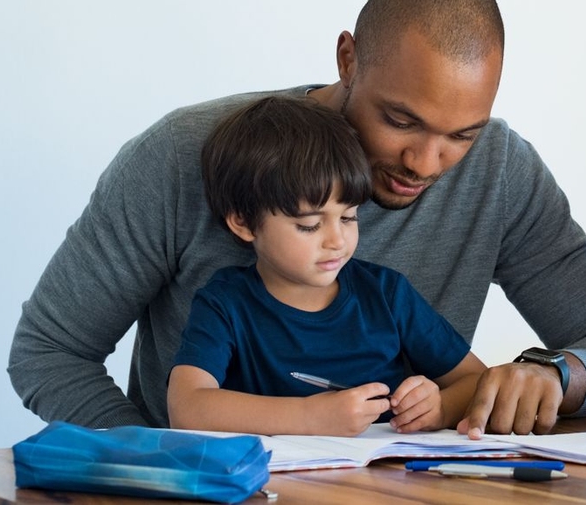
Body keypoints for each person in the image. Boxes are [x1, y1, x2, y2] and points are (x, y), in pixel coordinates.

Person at [9, 0, 586, 436]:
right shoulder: (184, 156)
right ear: (348, 58)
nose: (426, 164)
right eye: (400, 121)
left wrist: (558, 374)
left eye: (461, 135)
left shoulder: (500, 171)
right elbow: (48, 352)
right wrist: (160, 465)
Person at [167, 96, 486, 437]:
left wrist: (439, 407)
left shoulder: (386, 294)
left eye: (349, 217)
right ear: (244, 223)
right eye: (309, 225)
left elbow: (476, 380)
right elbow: (187, 407)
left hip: (384, 482)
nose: (337, 241)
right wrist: (309, 417)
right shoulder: (225, 303)